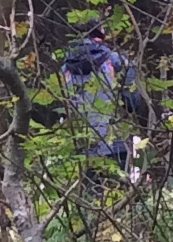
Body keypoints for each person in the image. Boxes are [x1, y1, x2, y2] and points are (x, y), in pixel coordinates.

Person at [56, 32, 147, 179]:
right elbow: (132, 103)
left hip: (82, 143)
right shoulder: (116, 61)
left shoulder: (65, 68)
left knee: (89, 195)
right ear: (101, 34)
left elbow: (61, 108)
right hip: (115, 141)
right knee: (117, 190)